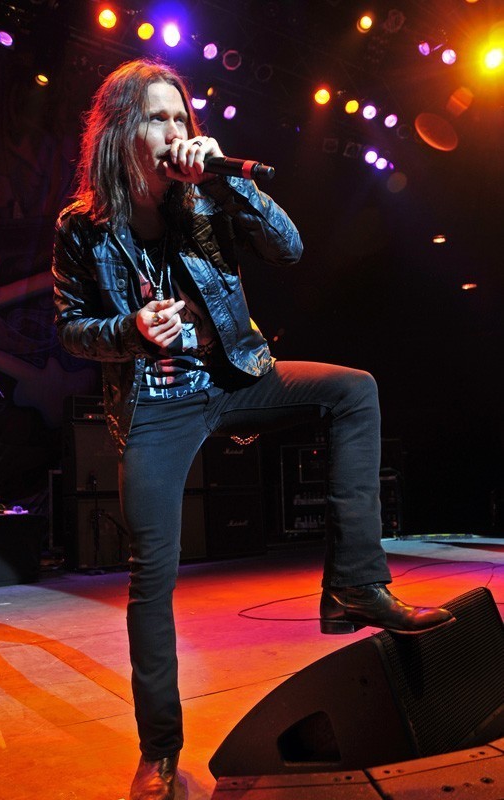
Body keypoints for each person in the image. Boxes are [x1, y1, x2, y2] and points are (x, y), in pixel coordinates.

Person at [52, 58, 454, 800]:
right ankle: (159, 752)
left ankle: (356, 586)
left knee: (353, 391)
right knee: (151, 579)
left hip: (234, 378)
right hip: (155, 405)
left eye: (181, 117)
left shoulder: (204, 198)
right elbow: (72, 328)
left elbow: (289, 248)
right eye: (157, 118)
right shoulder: (83, 228)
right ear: (121, 132)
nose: (174, 130)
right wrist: (131, 330)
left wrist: (227, 184)